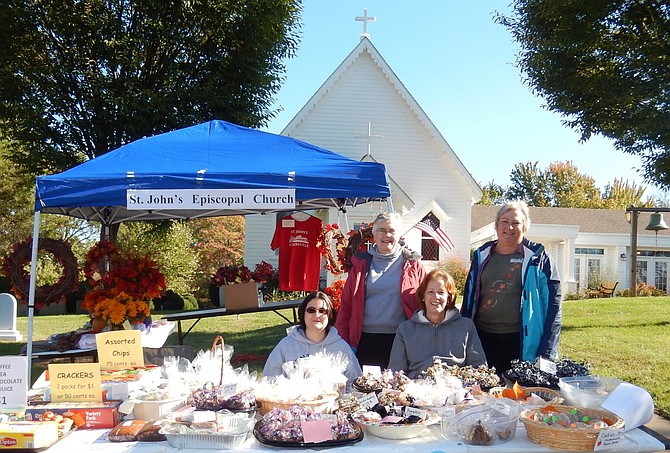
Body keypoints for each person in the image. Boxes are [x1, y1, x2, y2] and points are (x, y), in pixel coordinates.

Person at [460, 201, 562, 375]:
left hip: (521, 340)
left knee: (519, 394)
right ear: (497, 225)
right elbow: (469, 299)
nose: (509, 227)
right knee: (484, 393)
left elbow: (553, 306)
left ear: (525, 226)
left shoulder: (539, 258)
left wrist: (547, 350)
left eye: (516, 222)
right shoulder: (481, 255)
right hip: (482, 338)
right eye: (504, 221)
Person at [335, 212, 426, 369]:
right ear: (374, 234)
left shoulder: (413, 264)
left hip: (402, 339)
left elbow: (425, 303)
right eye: (382, 230)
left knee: (398, 389)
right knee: (367, 389)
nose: (387, 235)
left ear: (400, 235)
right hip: (365, 340)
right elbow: (346, 307)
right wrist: (343, 341)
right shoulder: (360, 265)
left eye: (392, 231)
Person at [388, 269, 487, 378]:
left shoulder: (466, 326)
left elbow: (479, 367)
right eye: (430, 292)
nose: (436, 297)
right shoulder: (405, 329)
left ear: (449, 298)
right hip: (416, 388)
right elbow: (396, 372)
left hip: (456, 388)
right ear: (423, 297)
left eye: (441, 292)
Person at [263, 291, 361, 390]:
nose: (317, 315)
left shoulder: (342, 347)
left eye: (322, 311)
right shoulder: (286, 346)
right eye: (311, 310)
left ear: (329, 315)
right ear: (303, 313)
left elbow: (356, 384)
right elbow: (269, 381)